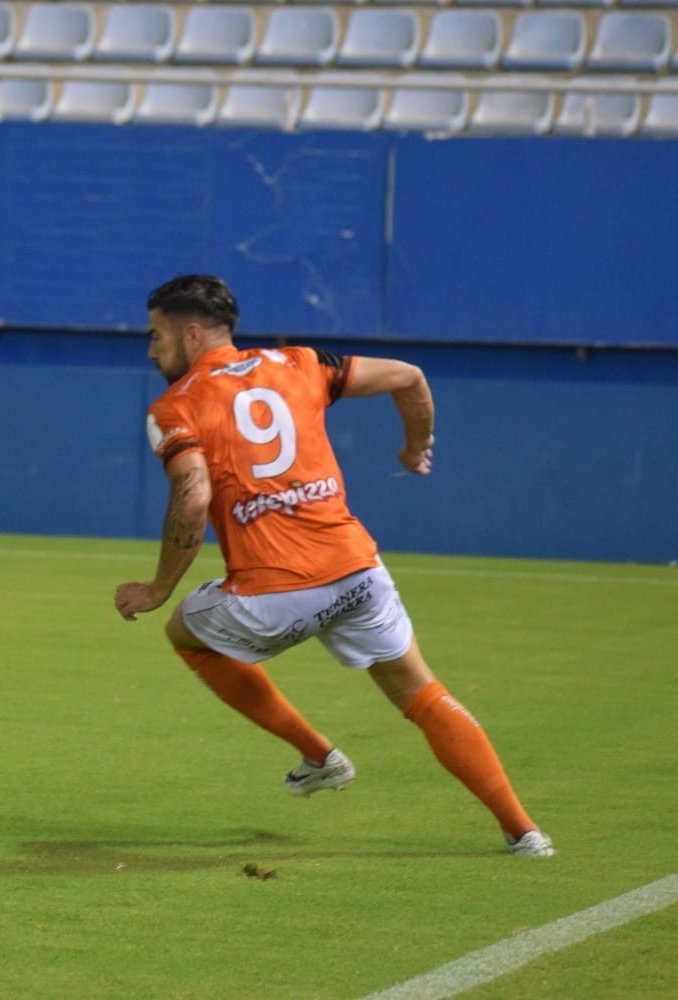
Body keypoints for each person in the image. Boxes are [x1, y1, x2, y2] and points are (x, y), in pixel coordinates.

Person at [114, 274, 552, 856]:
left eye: (156, 336)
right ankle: (523, 831)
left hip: (273, 594)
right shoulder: (301, 363)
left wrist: (157, 588)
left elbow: (193, 498)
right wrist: (415, 445)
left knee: (186, 633)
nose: (151, 350)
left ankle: (319, 755)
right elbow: (409, 376)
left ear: (190, 334)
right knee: (421, 694)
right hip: (357, 573)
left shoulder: (175, 406)